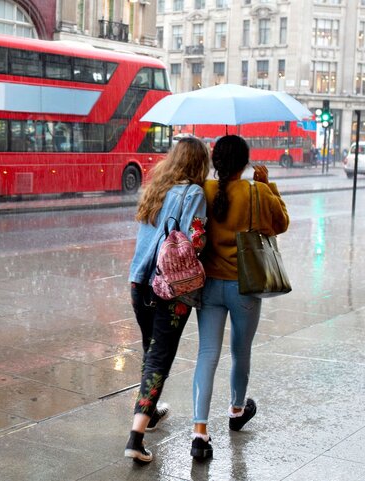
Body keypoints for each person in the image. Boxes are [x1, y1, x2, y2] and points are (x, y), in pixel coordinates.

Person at [190, 135, 289, 460]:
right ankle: (236, 410)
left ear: (216, 162)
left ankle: (200, 431)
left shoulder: (204, 189)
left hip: (210, 285)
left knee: (207, 354)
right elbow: (281, 224)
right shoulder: (256, 191)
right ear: (245, 163)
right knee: (240, 350)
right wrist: (268, 185)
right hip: (245, 286)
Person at [124, 137, 210, 464]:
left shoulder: (156, 188)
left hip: (139, 282)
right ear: (199, 164)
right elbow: (195, 240)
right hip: (170, 288)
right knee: (159, 359)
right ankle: (136, 436)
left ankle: (150, 410)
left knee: (151, 352)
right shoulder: (194, 193)